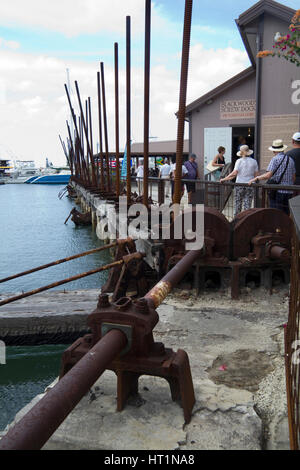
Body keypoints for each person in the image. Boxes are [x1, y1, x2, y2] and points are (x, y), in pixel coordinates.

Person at [249, 139, 295, 215]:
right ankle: (284, 227)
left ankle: (277, 227)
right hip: (289, 191)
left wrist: (256, 178)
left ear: (274, 151)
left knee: (275, 214)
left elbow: (268, 175)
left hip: (278, 191)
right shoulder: (290, 160)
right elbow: (293, 177)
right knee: (286, 215)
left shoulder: (275, 159)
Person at [220, 145, 259, 216]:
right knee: (247, 206)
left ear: (241, 153)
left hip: (239, 185)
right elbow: (256, 175)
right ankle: (246, 221)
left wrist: (224, 179)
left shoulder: (239, 161)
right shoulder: (254, 161)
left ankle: (237, 222)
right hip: (250, 185)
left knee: (238, 204)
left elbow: (234, 173)